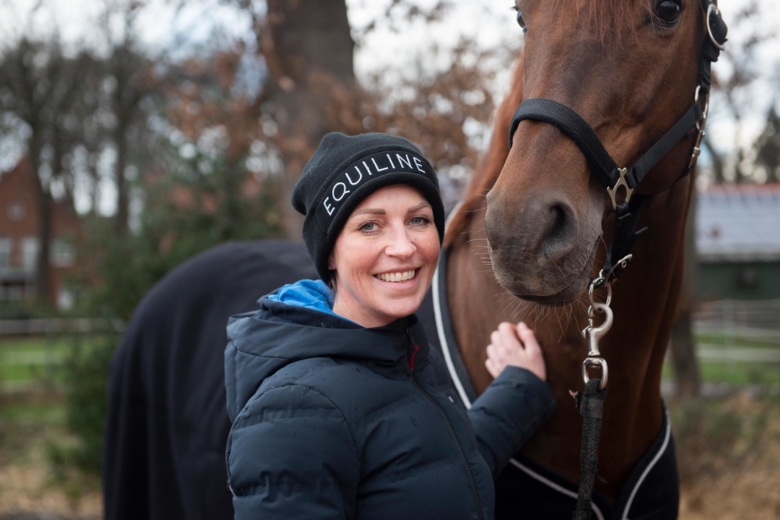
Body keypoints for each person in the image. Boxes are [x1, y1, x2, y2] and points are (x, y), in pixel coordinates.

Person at [224, 132, 555, 519]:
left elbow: (433, 465)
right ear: (329, 253)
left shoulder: (402, 357)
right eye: (370, 226)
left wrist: (520, 388)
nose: (403, 247)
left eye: (418, 220)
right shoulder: (295, 408)